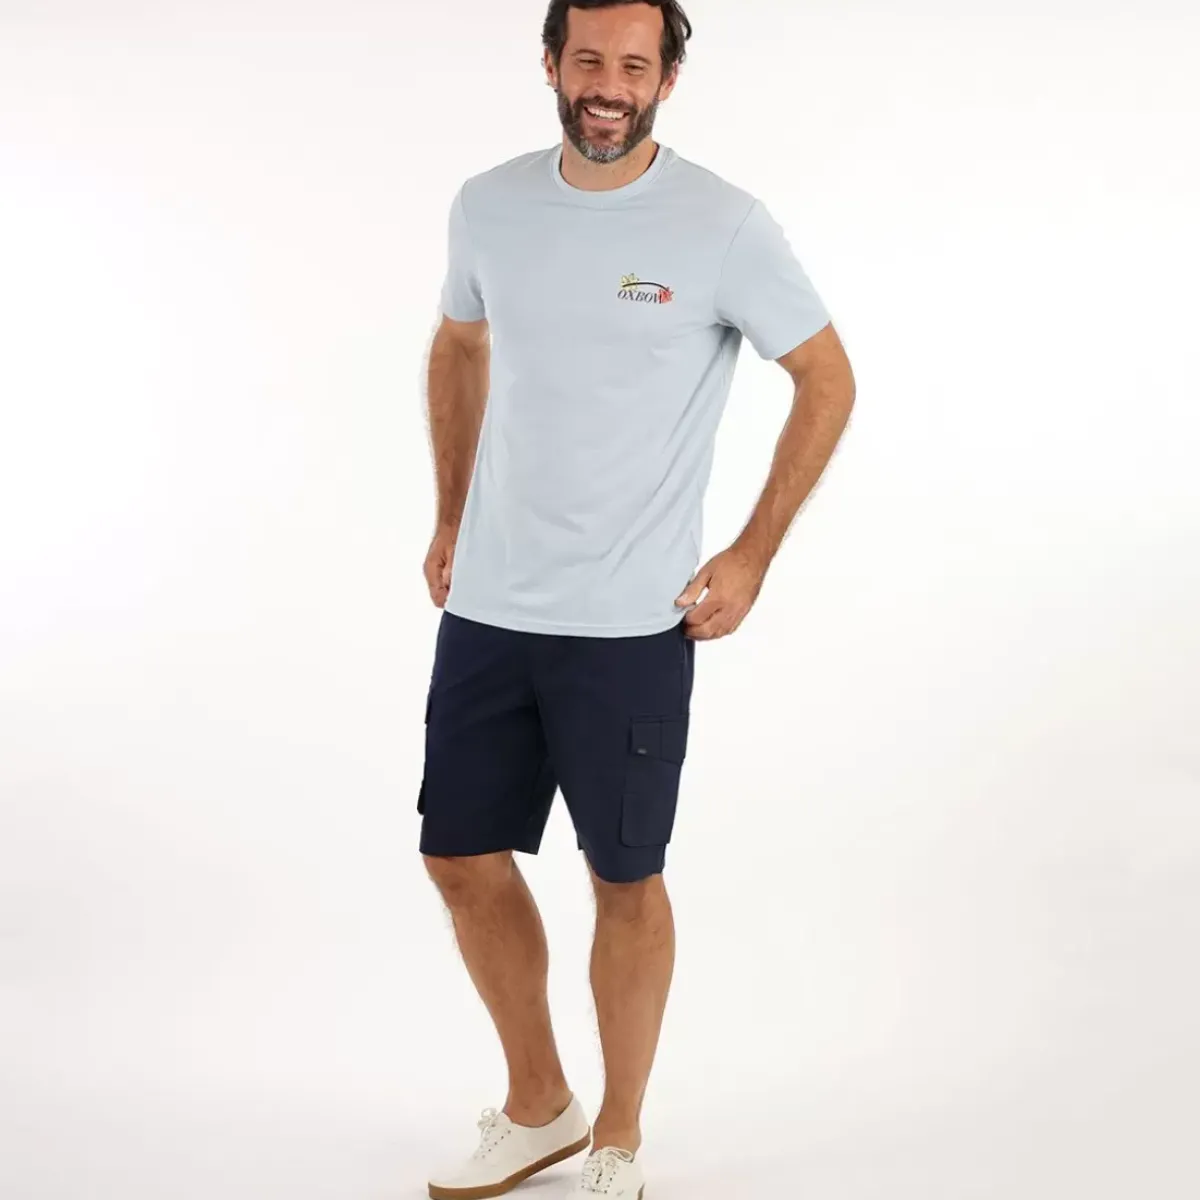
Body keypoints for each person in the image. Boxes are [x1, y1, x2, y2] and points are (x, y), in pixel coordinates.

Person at [418, 1, 855, 1196]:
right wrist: (451, 515)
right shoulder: (488, 205)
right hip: (491, 609)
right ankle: (539, 1105)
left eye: (633, 65)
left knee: (624, 877)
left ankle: (618, 1136)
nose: (608, 85)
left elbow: (825, 378)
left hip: (629, 623)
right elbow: (460, 345)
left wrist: (753, 552)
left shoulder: (722, 224)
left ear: (667, 79)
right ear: (551, 65)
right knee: (457, 855)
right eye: (588, 61)